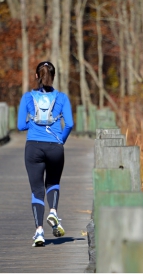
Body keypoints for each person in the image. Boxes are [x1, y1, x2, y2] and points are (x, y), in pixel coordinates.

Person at [17, 61, 74, 247]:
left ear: (36, 76)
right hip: (55, 147)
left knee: (37, 191)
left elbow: (20, 125)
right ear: (54, 76)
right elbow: (70, 124)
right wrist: (60, 140)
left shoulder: (27, 97)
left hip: (33, 147)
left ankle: (39, 232)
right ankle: (54, 211)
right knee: (53, 182)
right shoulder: (62, 98)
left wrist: (32, 125)